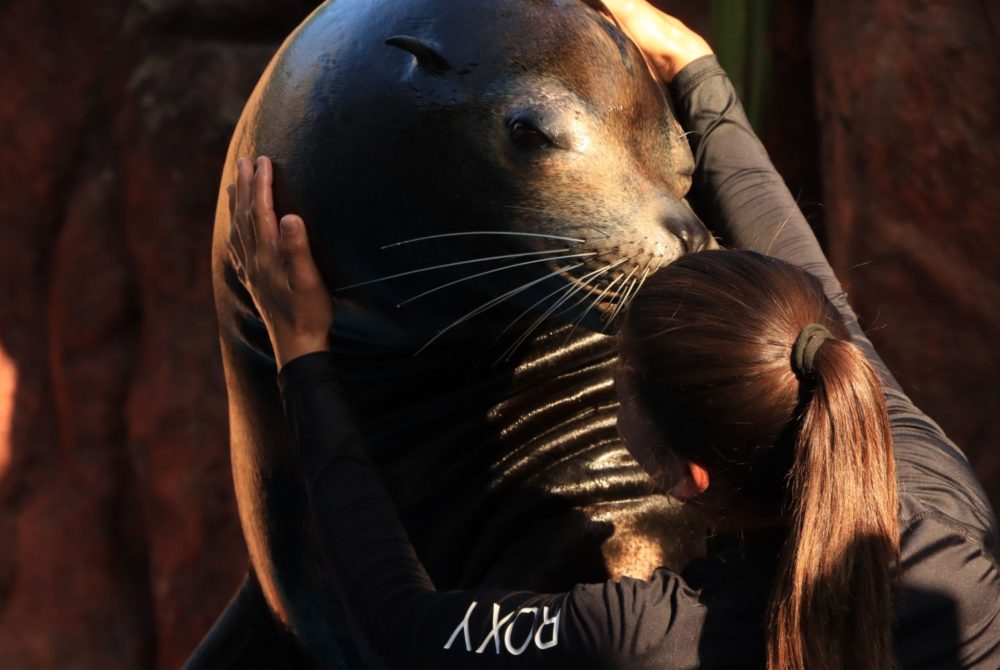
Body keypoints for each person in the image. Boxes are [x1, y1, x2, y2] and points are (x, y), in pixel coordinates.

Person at [225, 2, 1000, 667]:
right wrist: (696, 73)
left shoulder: (639, 634)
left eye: (621, 370)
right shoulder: (938, 518)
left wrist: (302, 358)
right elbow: (821, 295)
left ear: (685, 480)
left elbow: (405, 629)